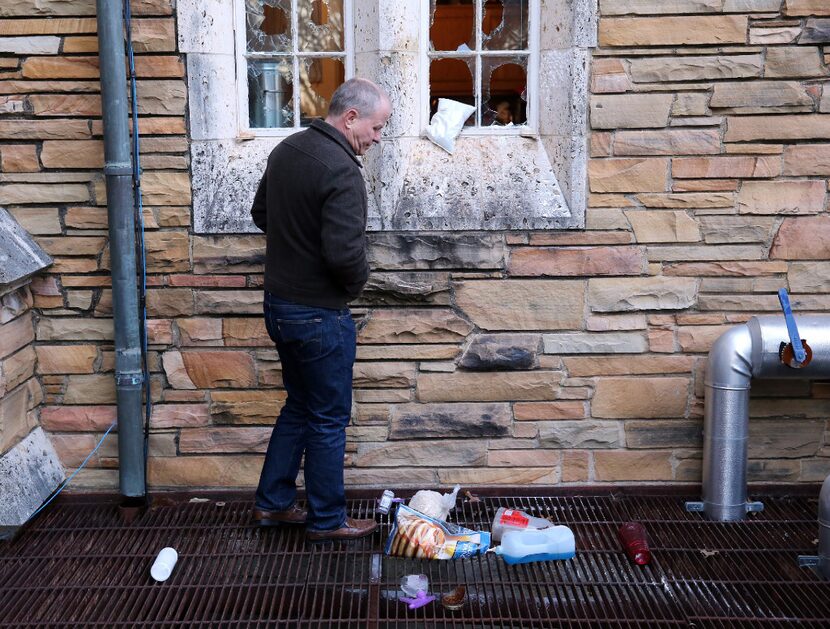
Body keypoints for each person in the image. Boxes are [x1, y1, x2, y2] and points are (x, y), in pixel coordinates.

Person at [250, 78, 392, 542]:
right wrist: (351, 288)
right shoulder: (341, 170)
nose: (377, 138)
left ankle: (272, 505)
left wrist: (295, 249)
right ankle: (328, 520)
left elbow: (261, 214)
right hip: (318, 314)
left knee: (300, 406)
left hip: (279, 306)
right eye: (376, 128)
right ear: (350, 117)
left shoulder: (287, 149)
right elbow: (344, 256)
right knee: (328, 418)